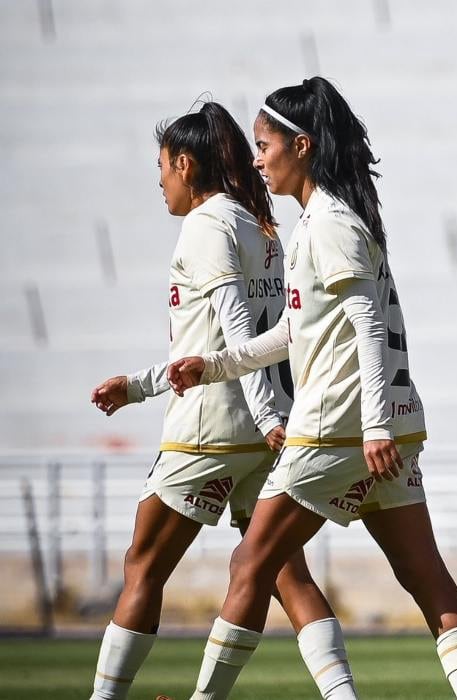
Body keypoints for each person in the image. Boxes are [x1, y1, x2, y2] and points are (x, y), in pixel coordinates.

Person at [166, 77, 457, 700]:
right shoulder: (331, 217)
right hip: (383, 424)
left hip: (340, 428)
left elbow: (369, 327)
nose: (257, 162)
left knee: (252, 562)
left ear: (303, 145)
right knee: (425, 576)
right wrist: (212, 366)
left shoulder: (330, 223)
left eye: (265, 146)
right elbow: (298, 330)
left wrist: (370, 427)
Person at [86, 101, 348, 700]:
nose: (159, 180)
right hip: (265, 431)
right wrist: (140, 386)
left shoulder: (207, 225)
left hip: (212, 427)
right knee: (284, 572)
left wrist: (264, 414)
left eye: (161, 165)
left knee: (142, 563)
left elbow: (234, 334)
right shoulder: (262, 224)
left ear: (184, 162)